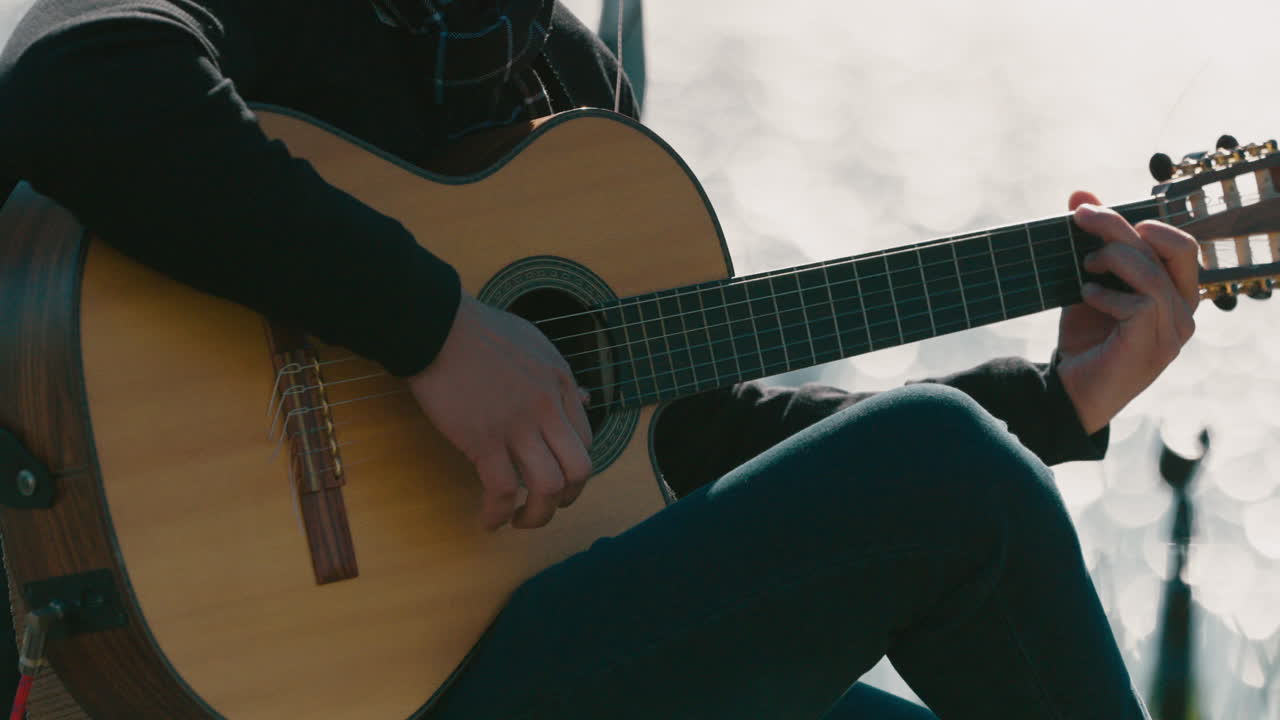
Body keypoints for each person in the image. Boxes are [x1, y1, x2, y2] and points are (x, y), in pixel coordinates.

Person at [0, 1, 1200, 718]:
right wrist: (432, 331)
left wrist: (1047, 401)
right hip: (275, 684)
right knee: (946, 470)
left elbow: (683, 439)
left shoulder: (558, 83)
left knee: (956, 482)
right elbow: (74, 85)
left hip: (516, 664)